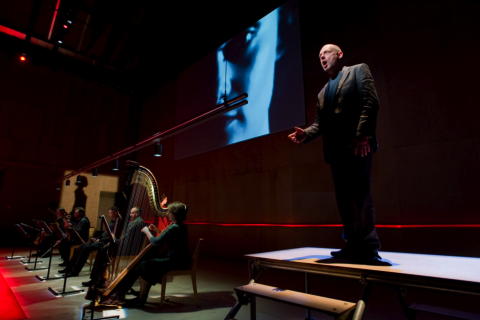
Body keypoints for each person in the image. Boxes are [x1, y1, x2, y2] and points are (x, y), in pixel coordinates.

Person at [288, 44, 390, 266]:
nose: (322, 57)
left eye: (326, 53)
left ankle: (369, 250)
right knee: (344, 201)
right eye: (319, 55)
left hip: (357, 146)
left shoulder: (358, 70)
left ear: (340, 54)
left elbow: (370, 103)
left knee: (361, 197)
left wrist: (363, 136)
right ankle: (352, 246)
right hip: (336, 154)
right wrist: (305, 134)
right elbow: (320, 124)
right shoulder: (323, 92)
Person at [102, 201, 190, 307]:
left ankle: (136, 297)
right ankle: (135, 295)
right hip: (180, 258)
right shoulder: (180, 226)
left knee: (143, 265)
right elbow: (165, 237)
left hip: (175, 260)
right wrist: (156, 230)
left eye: (169, 212)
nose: (167, 214)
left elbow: (156, 242)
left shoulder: (174, 227)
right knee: (144, 264)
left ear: (174, 214)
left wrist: (146, 231)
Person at [83, 206, 145, 288]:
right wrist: (115, 240)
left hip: (128, 249)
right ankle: (97, 279)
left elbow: (127, 239)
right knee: (103, 250)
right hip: (126, 246)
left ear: (137, 214)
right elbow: (126, 238)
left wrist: (115, 239)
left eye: (132, 213)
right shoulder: (137, 222)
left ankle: (97, 280)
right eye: (130, 213)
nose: (130, 215)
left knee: (103, 251)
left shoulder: (137, 223)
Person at [59, 207, 122, 277]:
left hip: (104, 243)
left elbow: (112, 237)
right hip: (100, 240)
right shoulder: (112, 222)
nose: (109, 214)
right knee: (78, 249)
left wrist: (99, 240)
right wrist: (97, 238)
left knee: (85, 249)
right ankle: (69, 268)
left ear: (115, 213)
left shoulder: (118, 222)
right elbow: (105, 233)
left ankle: (75, 271)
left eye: (111, 213)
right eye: (109, 213)